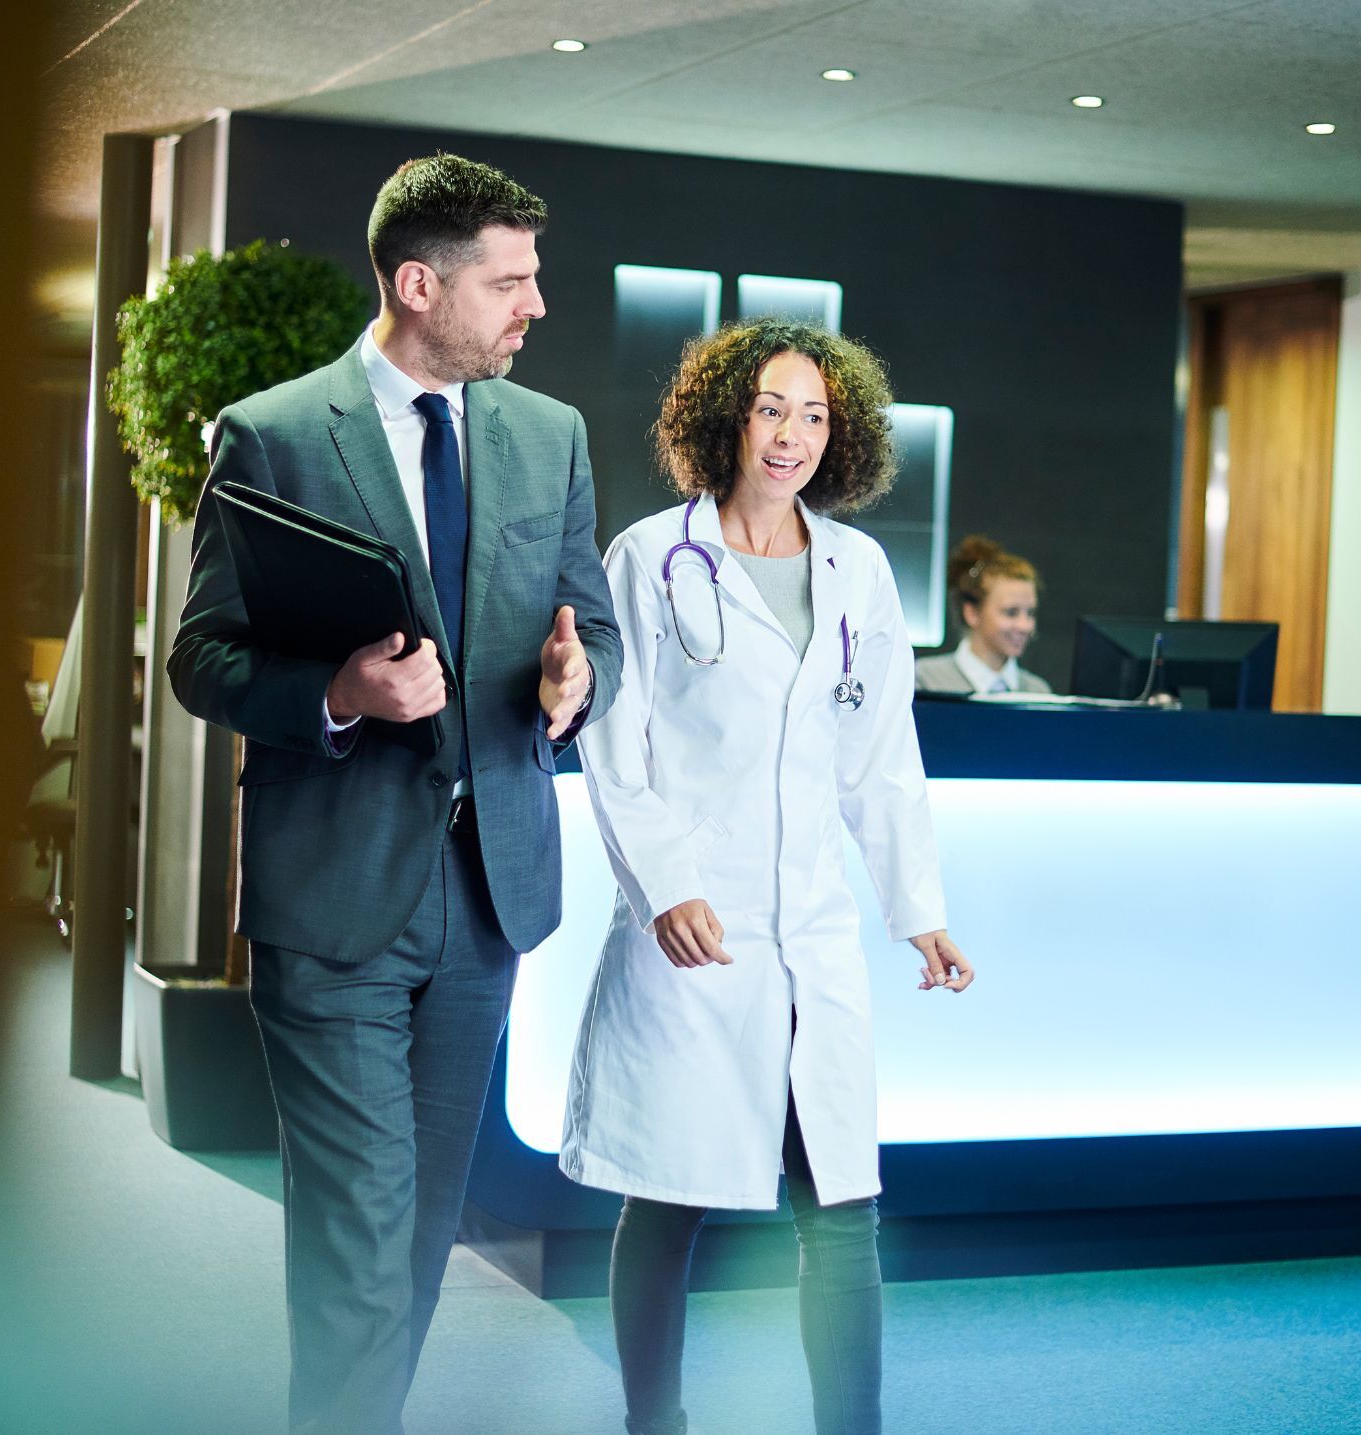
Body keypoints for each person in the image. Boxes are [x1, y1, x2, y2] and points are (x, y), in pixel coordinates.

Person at [167, 153, 622, 1435]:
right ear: (421, 285)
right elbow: (203, 655)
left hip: (486, 907)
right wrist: (340, 694)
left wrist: (576, 682)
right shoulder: (272, 433)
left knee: (417, 1237)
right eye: (513, 283)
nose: (536, 309)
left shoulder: (551, 434)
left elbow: (597, 631)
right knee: (362, 1236)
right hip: (336, 906)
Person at [561, 318, 974, 1435]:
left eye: (816, 415)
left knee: (843, 1209)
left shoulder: (858, 569)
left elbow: (882, 757)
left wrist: (917, 911)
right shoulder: (651, 556)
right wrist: (665, 886)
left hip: (815, 935)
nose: (791, 435)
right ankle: (657, 1421)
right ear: (725, 417)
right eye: (771, 408)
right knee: (673, 1197)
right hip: (701, 928)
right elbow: (615, 739)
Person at [913, 534, 1051, 695]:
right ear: (972, 613)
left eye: (1030, 613)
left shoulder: (1038, 692)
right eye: (1011, 612)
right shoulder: (925, 681)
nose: (1025, 626)